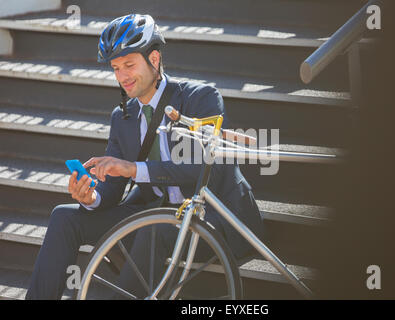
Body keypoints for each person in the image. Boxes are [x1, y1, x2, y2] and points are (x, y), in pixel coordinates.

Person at [25, 13, 263, 299]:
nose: (122, 76)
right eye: (115, 68)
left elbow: (199, 168)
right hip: (161, 214)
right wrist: (91, 197)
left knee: (153, 230)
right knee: (65, 218)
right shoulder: (122, 118)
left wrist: (132, 169)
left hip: (215, 219)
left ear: (154, 59)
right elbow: (111, 191)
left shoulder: (200, 98)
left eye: (129, 64)